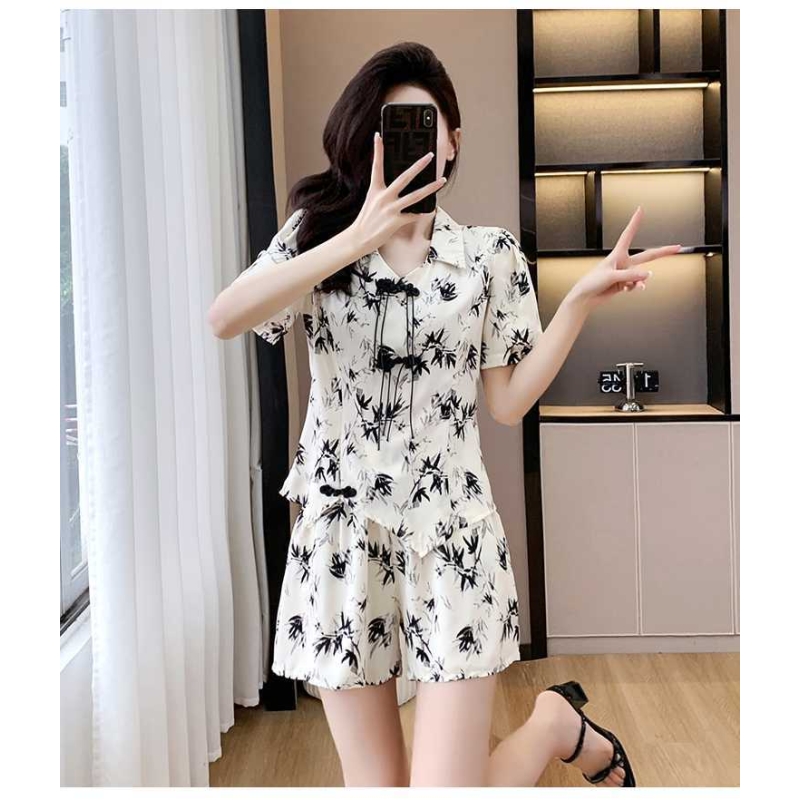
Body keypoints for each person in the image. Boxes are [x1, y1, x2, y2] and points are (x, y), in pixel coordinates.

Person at [209, 41, 680, 788]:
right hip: (342, 539)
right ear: (365, 140)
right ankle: (558, 721)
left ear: (453, 140)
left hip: (454, 536)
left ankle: (551, 724)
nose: (409, 142)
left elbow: (508, 403)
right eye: (390, 126)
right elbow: (226, 317)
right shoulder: (316, 236)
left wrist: (578, 304)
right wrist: (356, 237)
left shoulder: (490, 256)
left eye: (425, 125)